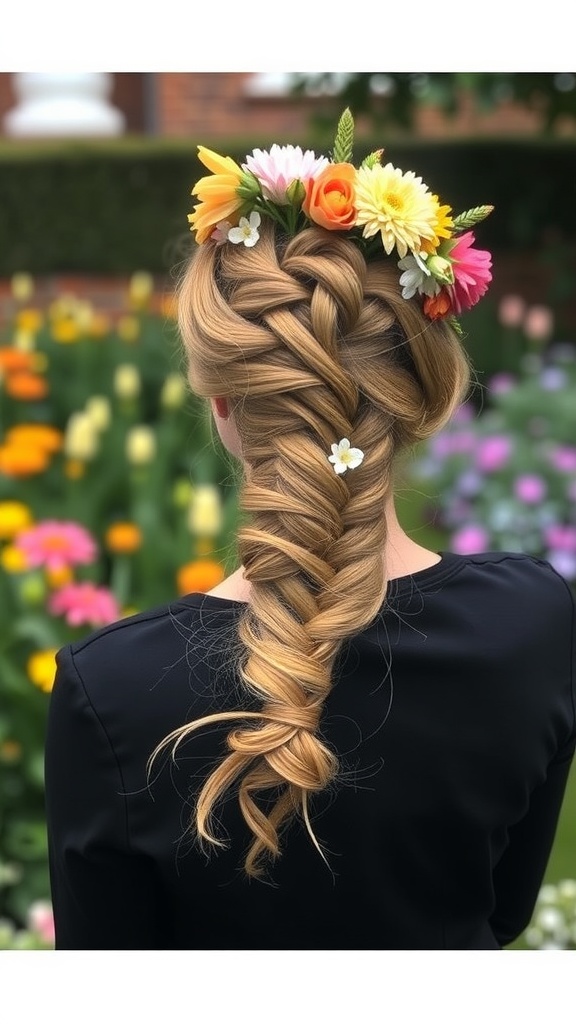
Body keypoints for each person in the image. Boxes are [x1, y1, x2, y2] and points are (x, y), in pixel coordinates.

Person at [44, 110, 575, 950]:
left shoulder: (112, 690)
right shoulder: (534, 623)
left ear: (223, 404)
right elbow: (503, 914)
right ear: (422, 392)